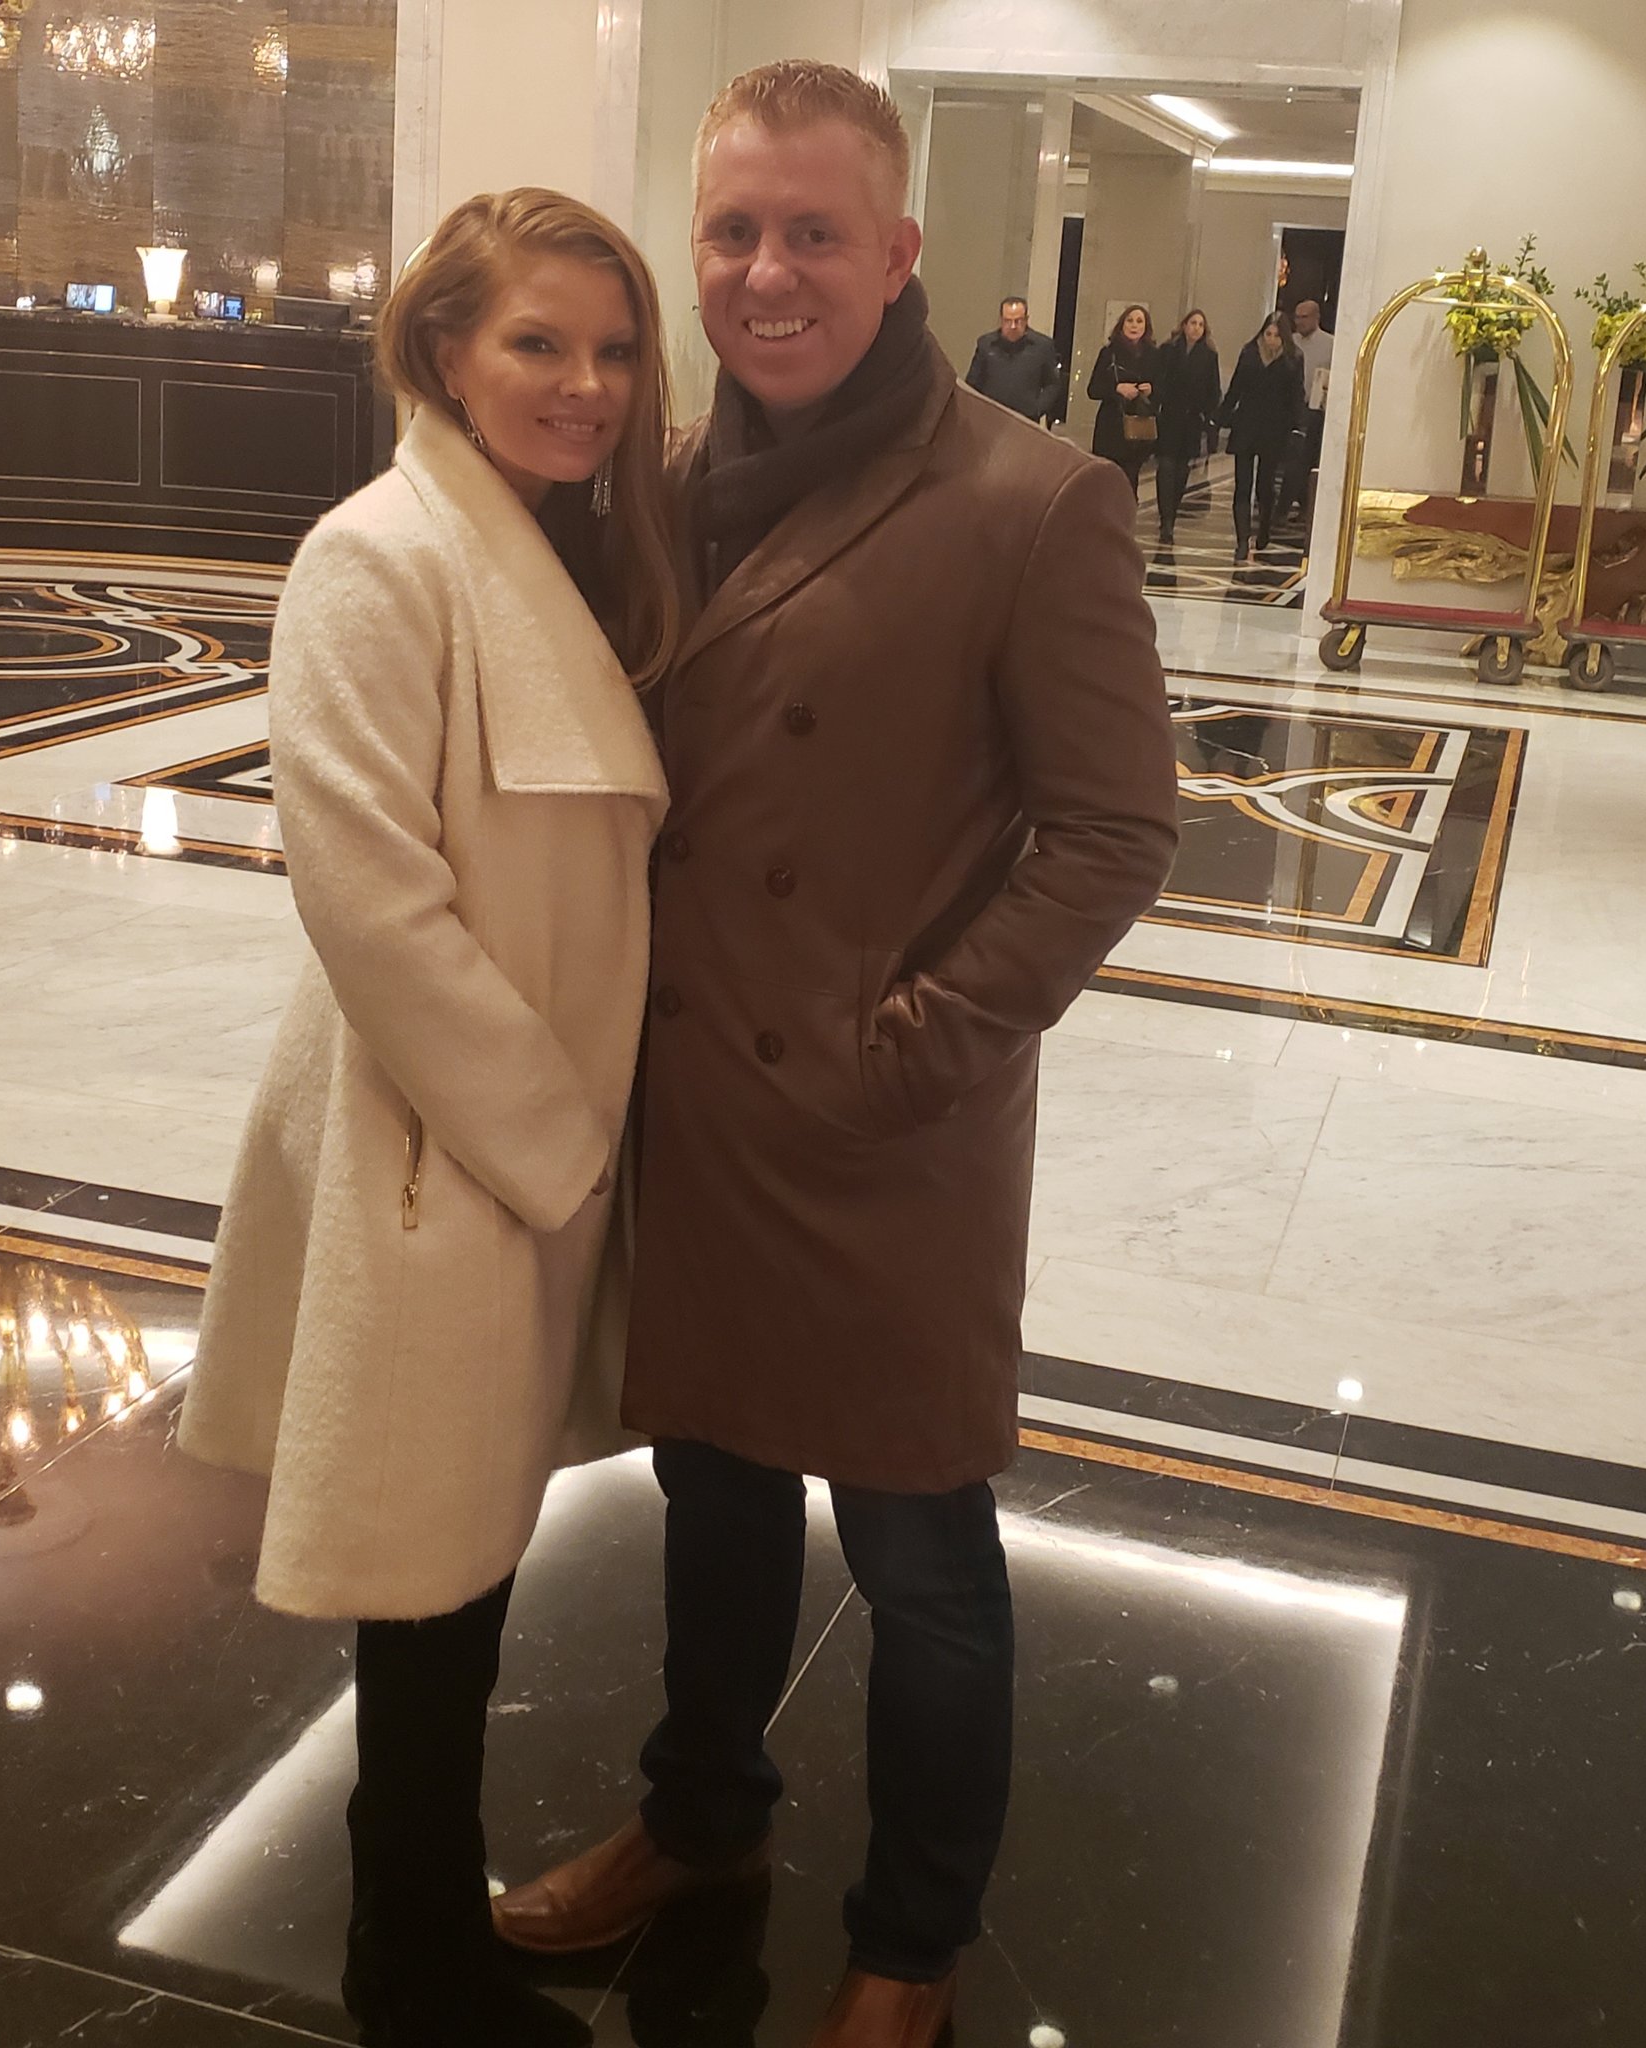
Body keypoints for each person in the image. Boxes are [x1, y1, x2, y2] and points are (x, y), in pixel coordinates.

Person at [491, 60, 1179, 2048]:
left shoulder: (1033, 497)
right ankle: (698, 1820)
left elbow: (1114, 830)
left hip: (889, 1130)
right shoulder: (660, 479)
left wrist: (919, 1047)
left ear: (896, 254)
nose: (766, 270)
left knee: (921, 1553)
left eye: (811, 232)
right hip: (698, 1099)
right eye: (730, 230)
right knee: (707, 1501)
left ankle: (912, 1936)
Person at [177, 189, 679, 2048]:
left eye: (614, 348)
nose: (585, 384)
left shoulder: (554, 552)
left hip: (517, 1145)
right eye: (537, 342)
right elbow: (369, 895)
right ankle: (411, 1955)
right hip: (445, 1145)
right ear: (440, 350)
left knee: (462, 1570)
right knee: (427, 1576)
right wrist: (555, 1145)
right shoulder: (378, 555)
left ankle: (420, 1922)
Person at [1218, 311, 1302, 563]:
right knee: (1243, 485)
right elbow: (1236, 387)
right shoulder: (1249, 353)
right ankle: (1242, 540)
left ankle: (1264, 528)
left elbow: (1296, 395)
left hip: (1275, 428)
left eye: (1277, 335)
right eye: (1268, 334)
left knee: (1265, 485)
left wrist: (1298, 427)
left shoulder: (1293, 358)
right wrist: (1221, 415)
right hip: (1247, 424)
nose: (1272, 339)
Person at [1151, 307, 1221, 546]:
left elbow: (1214, 390)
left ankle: (1172, 511)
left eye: (1201, 325)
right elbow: (1158, 379)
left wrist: (1207, 415)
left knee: (1182, 471)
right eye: (1193, 323)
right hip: (1169, 417)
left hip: (1191, 421)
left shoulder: (1209, 356)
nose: (1196, 328)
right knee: (1166, 467)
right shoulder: (1168, 350)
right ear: (1184, 325)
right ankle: (1165, 519)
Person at [1086, 302, 1159, 494]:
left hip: (1138, 424)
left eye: (1139, 321)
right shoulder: (1109, 353)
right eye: (1130, 321)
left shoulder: (1153, 355)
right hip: (1111, 425)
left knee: (1130, 480)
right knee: (1106, 479)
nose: (1134, 326)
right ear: (1122, 324)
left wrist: (1151, 389)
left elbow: (1163, 389)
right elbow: (1093, 389)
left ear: (1146, 327)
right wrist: (1117, 388)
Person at [1278, 297, 1335, 528]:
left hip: (1316, 410)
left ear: (1316, 318)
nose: (1299, 321)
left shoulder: (1331, 344)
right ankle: (1286, 506)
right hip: (1291, 407)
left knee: (1305, 459)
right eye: (1297, 317)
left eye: (1304, 317)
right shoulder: (1289, 342)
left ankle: (1301, 507)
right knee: (1290, 459)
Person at [965, 295, 1064, 425]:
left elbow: (1052, 384)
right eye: (1007, 321)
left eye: (1018, 321)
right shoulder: (986, 344)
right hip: (990, 421)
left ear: (1026, 320)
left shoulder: (1043, 346)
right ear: (1001, 320)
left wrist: (1037, 409)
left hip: (1026, 422)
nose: (1013, 326)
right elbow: (972, 383)